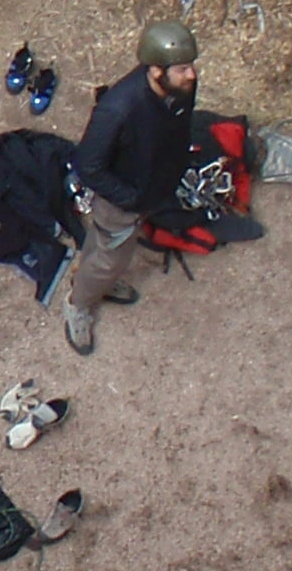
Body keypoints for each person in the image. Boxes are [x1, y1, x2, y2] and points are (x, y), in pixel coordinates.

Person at [64, 20, 201, 357]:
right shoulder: (118, 110)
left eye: (191, 66)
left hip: (153, 187)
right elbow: (88, 164)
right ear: (156, 71)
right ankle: (78, 303)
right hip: (122, 201)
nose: (193, 75)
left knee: (105, 247)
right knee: (113, 259)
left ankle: (91, 276)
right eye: (183, 68)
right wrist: (131, 199)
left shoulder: (179, 88)